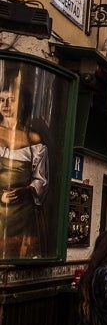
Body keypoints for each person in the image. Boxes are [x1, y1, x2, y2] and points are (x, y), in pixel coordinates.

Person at [0, 67, 48, 258]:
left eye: (11, 100)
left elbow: (41, 180)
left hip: (23, 213)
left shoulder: (33, 139)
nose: (5, 104)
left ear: (21, 104)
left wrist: (25, 191)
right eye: (1, 99)